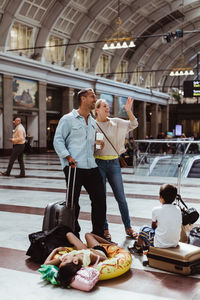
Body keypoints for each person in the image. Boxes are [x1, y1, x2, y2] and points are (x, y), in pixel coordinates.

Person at [53, 88, 106, 239]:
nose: (95, 99)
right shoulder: (68, 119)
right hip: (74, 167)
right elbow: (58, 140)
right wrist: (68, 157)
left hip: (91, 166)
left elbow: (95, 144)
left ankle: (98, 233)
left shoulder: (94, 122)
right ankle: (72, 232)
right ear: (83, 98)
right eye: (92, 96)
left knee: (100, 200)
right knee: (72, 203)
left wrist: (98, 145)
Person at [94, 97, 138, 240]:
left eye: (108, 106)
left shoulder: (116, 122)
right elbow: (89, 146)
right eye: (105, 106)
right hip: (98, 163)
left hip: (113, 164)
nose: (108, 108)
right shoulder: (92, 125)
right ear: (97, 109)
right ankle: (105, 229)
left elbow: (134, 123)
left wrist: (128, 111)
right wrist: (95, 146)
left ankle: (128, 227)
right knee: (102, 199)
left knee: (121, 198)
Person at [44, 232, 112, 287]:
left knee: (69, 234)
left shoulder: (67, 257)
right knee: (88, 235)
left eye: (62, 261)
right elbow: (104, 258)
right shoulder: (88, 256)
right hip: (97, 251)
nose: (63, 258)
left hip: (82, 251)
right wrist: (91, 251)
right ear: (75, 261)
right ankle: (111, 244)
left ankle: (84, 248)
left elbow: (46, 264)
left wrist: (55, 250)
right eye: (65, 260)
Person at [129, 184, 182, 254]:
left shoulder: (156, 210)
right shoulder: (178, 209)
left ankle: (138, 247)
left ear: (161, 197)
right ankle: (145, 244)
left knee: (143, 229)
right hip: (174, 243)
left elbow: (153, 226)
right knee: (157, 231)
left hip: (159, 244)